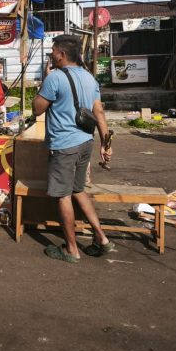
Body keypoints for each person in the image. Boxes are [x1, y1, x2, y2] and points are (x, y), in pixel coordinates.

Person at [32, 35, 114, 263]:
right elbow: (99, 113)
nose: (51, 54)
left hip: (64, 146)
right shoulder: (89, 78)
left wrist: (44, 80)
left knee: (63, 195)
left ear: (62, 54)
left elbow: (37, 109)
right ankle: (102, 239)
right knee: (78, 190)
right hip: (85, 142)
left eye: (53, 50)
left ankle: (71, 249)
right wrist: (106, 145)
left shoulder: (55, 78)